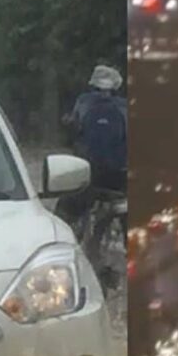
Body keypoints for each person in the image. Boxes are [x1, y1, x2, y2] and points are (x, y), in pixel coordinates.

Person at [56, 64, 127, 231]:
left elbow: (71, 131)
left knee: (65, 211)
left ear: (93, 83)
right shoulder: (124, 106)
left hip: (88, 172)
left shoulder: (83, 102)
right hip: (119, 176)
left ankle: (64, 236)